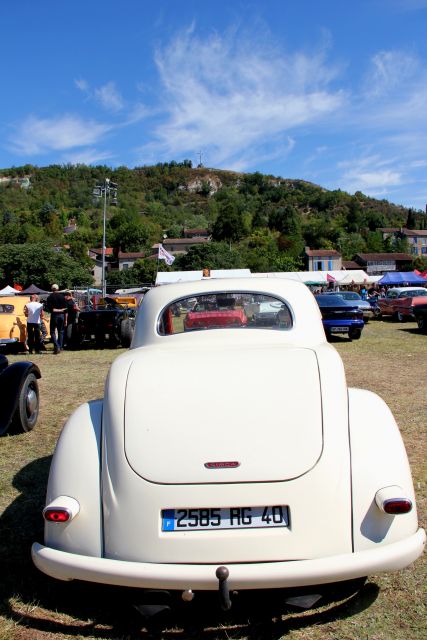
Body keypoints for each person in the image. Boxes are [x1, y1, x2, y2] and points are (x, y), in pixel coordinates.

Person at [46, 284, 67, 354]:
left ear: (52, 289)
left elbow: (50, 309)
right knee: (61, 331)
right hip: (62, 316)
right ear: (58, 289)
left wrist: (55, 310)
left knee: (52, 331)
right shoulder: (62, 297)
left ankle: (56, 345)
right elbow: (65, 309)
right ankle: (60, 347)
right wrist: (62, 311)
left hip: (54, 316)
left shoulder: (49, 297)